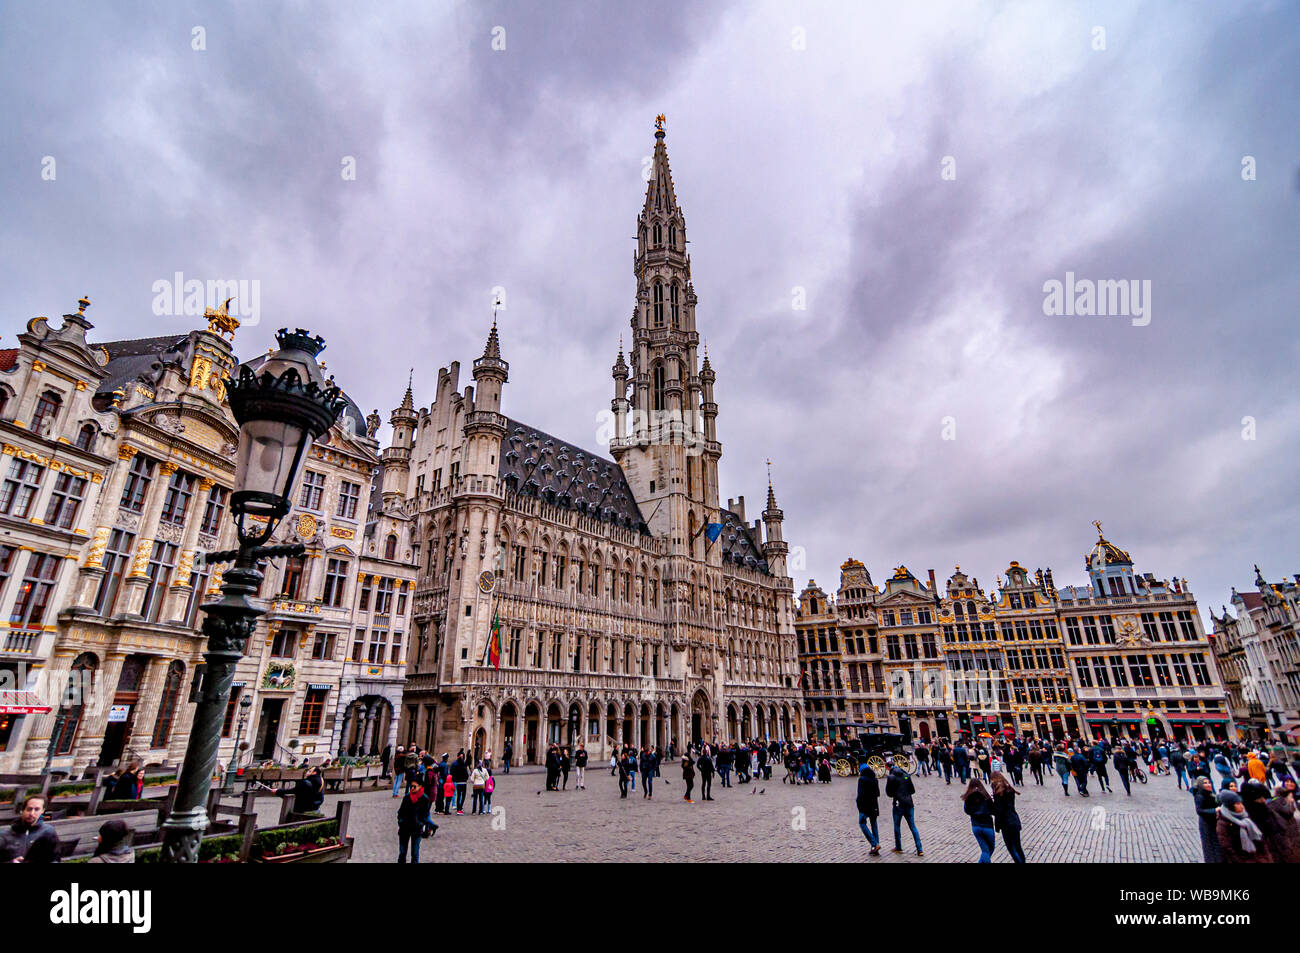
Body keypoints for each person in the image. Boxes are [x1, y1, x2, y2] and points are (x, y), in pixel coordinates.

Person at [1216, 789, 1272, 863]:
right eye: (1238, 804)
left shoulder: (1245, 816)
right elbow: (1228, 849)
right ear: (1230, 806)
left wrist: (1267, 858)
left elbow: (1260, 841)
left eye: (1241, 803)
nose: (1242, 806)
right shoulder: (1223, 824)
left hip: (1259, 858)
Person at [0, 795, 60, 863]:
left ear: (42, 811)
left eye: (37, 809)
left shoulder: (48, 832)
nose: (32, 813)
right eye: (29, 809)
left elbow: (55, 860)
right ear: (22, 810)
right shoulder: (4, 835)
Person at [885, 765, 922, 856]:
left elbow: (889, 793)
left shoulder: (891, 778)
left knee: (897, 826)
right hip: (909, 803)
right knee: (913, 826)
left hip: (898, 804)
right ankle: (920, 849)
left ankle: (898, 847)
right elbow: (912, 791)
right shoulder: (906, 776)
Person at [990, 771, 1026, 863]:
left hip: (1006, 823)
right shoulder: (1009, 789)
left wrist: (997, 826)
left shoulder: (999, 793)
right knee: (1018, 847)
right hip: (1014, 819)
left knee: (1011, 848)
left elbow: (999, 811)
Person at [961, 777, 997, 863]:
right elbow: (993, 810)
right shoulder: (985, 796)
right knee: (988, 850)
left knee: (986, 851)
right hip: (987, 825)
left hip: (976, 826)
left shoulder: (968, 797)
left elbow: (966, 810)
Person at [397, 782, 431, 863]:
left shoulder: (424, 799)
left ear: (420, 787)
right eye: (411, 786)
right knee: (402, 853)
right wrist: (401, 821)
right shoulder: (407, 797)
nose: (412, 788)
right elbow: (401, 812)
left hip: (416, 829)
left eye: (414, 786)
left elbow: (425, 814)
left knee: (415, 853)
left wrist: (420, 823)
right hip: (404, 828)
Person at [1192, 776, 1222, 863]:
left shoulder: (1211, 794)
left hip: (1214, 822)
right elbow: (1199, 811)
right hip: (1206, 824)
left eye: (1209, 782)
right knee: (1209, 845)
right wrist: (1214, 810)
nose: (1208, 785)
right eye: (1205, 783)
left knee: (1216, 844)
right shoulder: (1200, 796)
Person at [856, 762, 882, 855]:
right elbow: (878, 793)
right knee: (874, 825)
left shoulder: (862, 779)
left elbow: (860, 795)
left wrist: (859, 805)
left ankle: (874, 843)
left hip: (865, 806)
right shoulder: (874, 779)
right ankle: (875, 847)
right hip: (874, 805)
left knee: (862, 823)